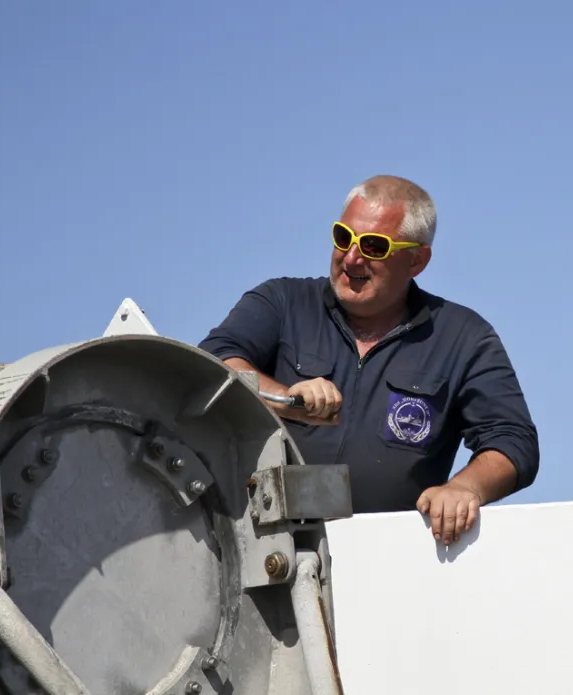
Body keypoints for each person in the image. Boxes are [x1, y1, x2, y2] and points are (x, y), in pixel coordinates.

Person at [198, 175, 539, 544]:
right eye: (343, 237)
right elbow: (212, 362)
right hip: (260, 549)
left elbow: (513, 442)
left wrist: (464, 489)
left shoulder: (464, 337)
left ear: (417, 260)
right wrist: (286, 400)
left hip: (388, 559)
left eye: (374, 246)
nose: (351, 257)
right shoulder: (282, 302)